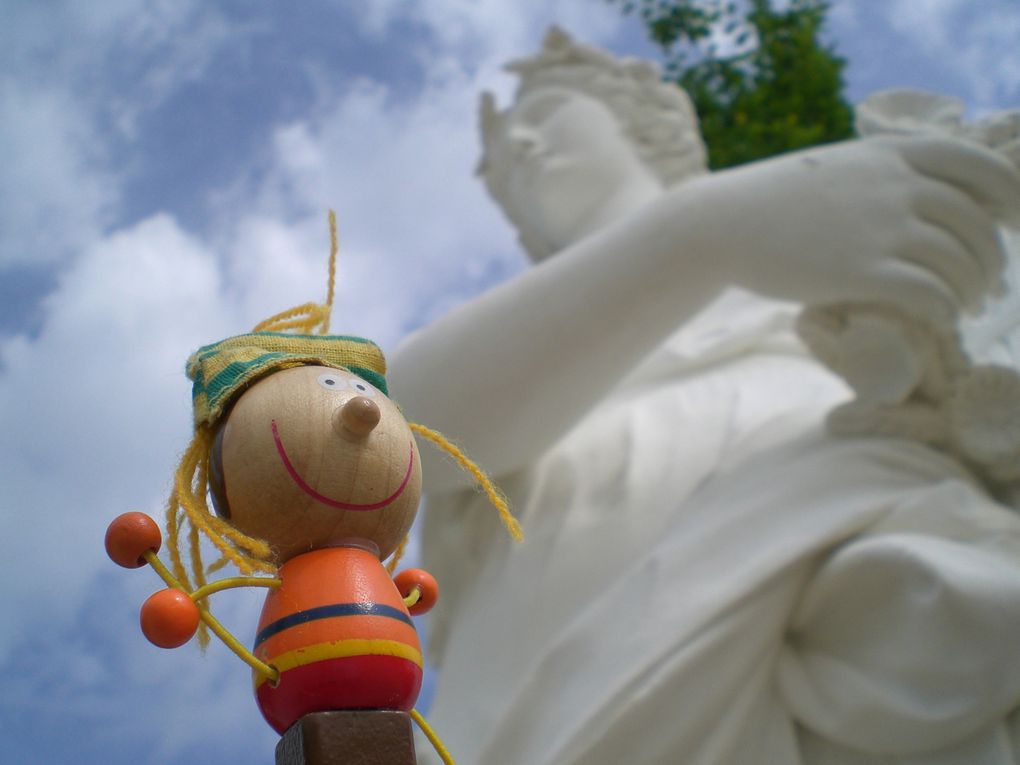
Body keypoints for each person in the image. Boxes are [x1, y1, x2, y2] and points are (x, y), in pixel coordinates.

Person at [388, 27, 1020, 765]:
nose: (522, 145)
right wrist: (699, 234)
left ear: (649, 120)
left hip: (881, 626)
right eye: (500, 172)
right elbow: (392, 436)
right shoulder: (518, 338)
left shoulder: (838, 232)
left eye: (550, 110)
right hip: (555, 709)